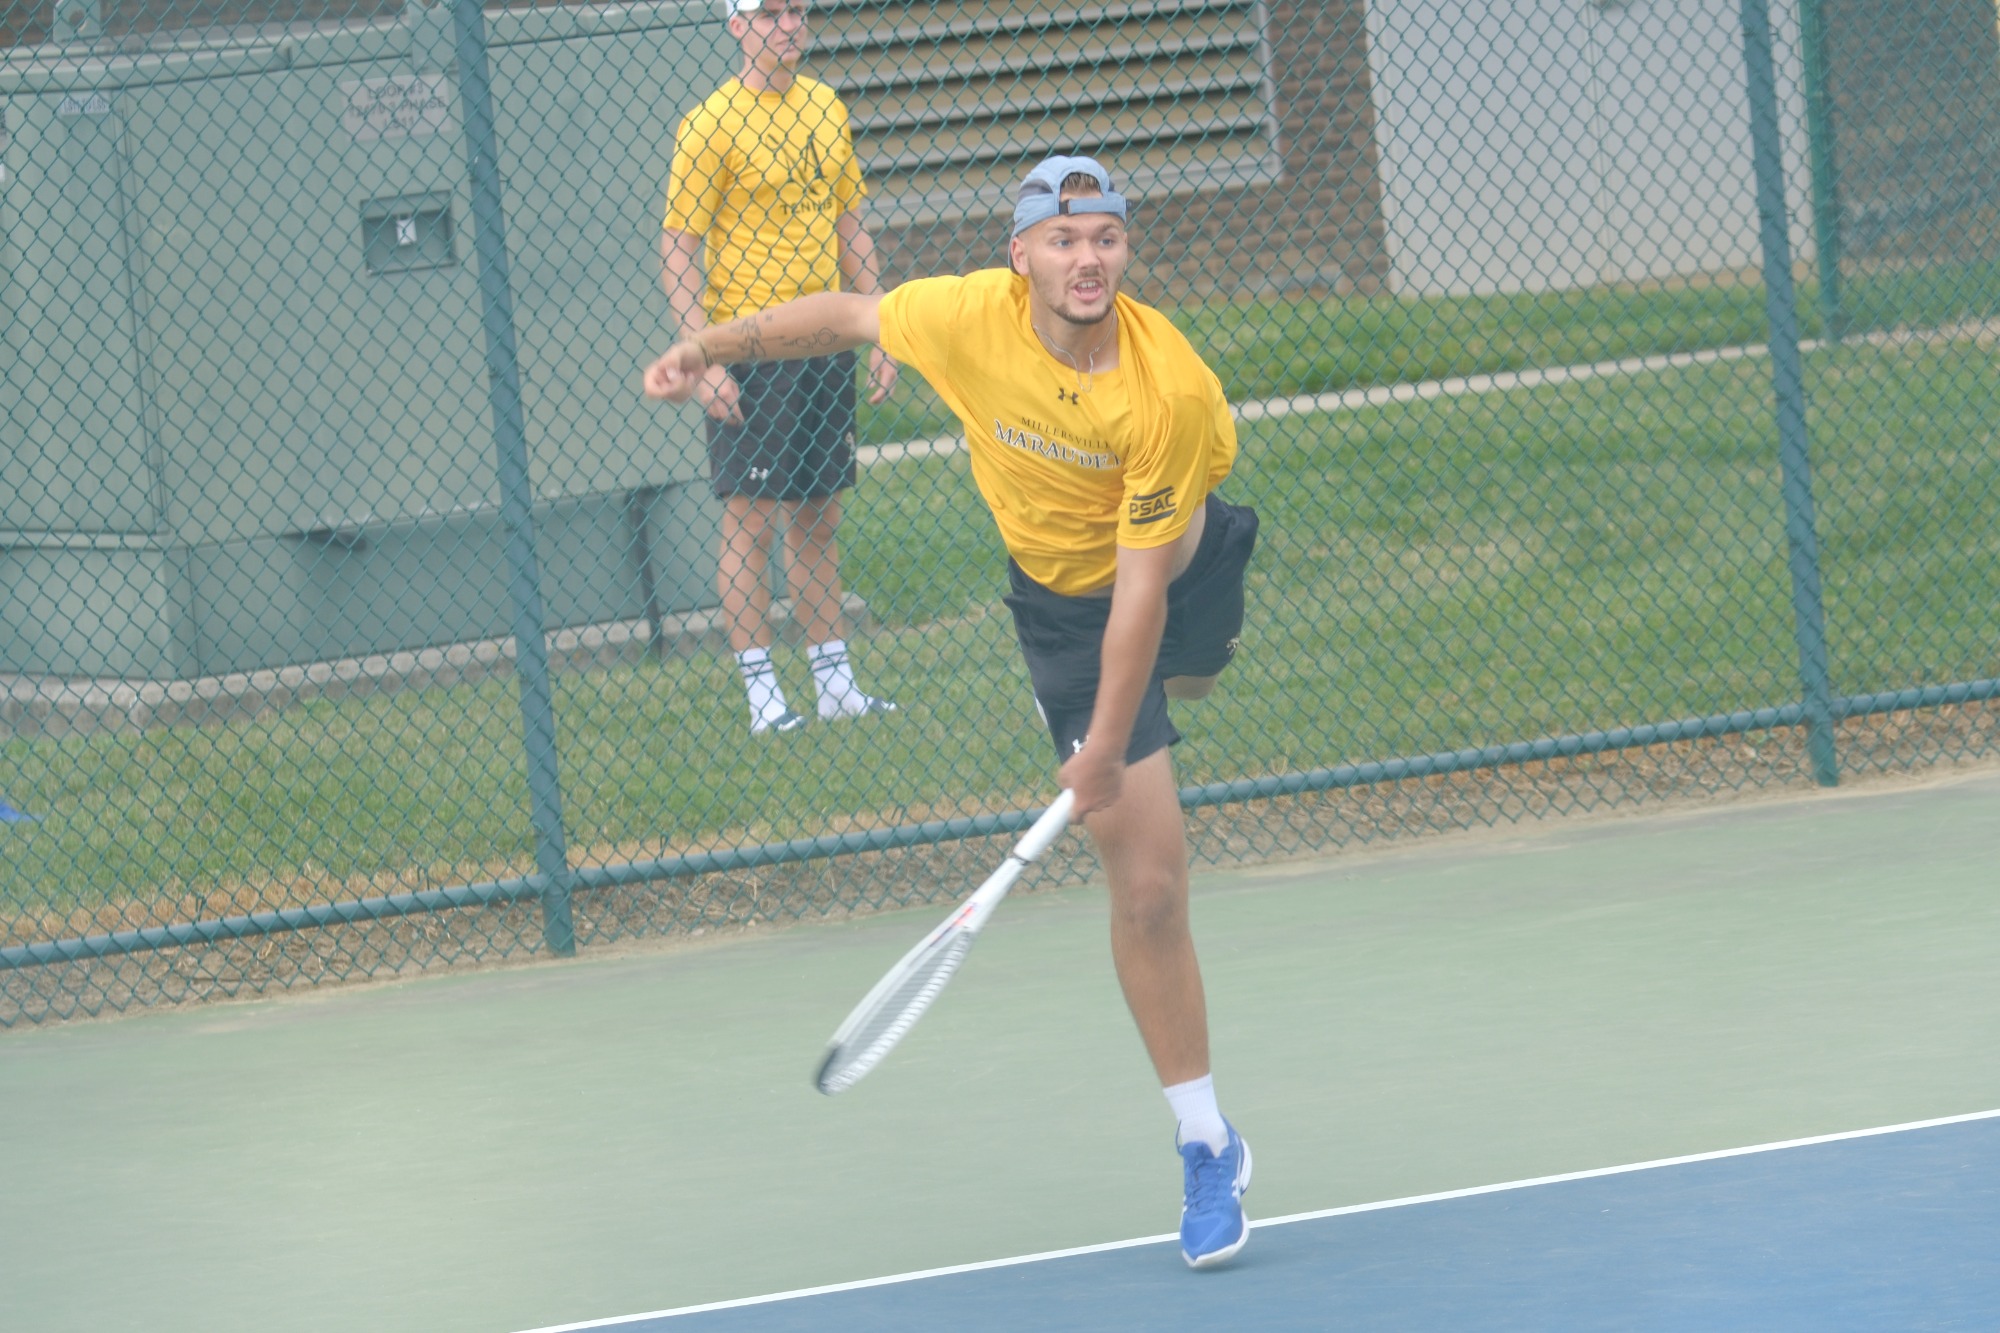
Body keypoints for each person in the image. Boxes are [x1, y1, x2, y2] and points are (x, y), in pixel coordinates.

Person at [644, 154, 1261, 1268]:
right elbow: (842, 312)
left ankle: (1168, 710)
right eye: (1063, 239)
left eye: (1107, 237)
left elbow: (1142, 592)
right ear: (1017, 254)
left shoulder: (1159, 386)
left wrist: (1109, 750)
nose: (1088, 258)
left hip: (1182, 561)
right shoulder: (963, 317)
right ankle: (1206, 1139)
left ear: (1124, 251)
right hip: (1067, 611)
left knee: (1183, 677)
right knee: (1154, 887)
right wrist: (708, 344)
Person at [661, 0, 899, 735]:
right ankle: (765, 698)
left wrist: (882, 326)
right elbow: (678, 249)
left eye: (796, 11)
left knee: (819, 516)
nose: (786, 25)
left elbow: (849, 224)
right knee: (751, 524)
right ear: (736, 26)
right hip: (751, 351)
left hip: (824, 341)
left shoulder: (827, 108)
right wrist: (703, 356)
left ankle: (834, 683)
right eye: (768, 15)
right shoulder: (709, 124)